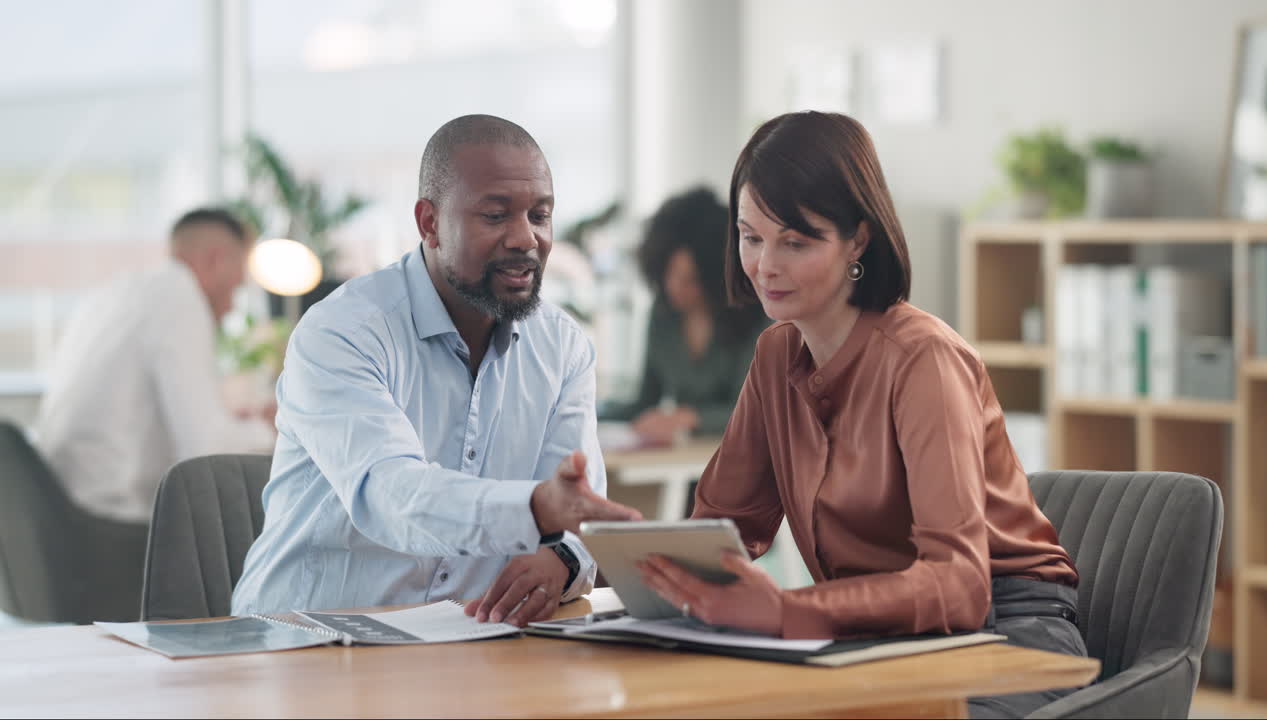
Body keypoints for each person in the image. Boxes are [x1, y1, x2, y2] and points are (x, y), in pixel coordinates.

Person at [636, 111, 1085, 719]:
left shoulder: (923, 359)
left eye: (795, 242)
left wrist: (787, 612)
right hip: (874, 640)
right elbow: (725, 526)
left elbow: (959, 587)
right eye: (750, 236)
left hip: (1004, 636)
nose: (765, 265)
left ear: (859, 241)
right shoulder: (775, 355)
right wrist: (640, 556)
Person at [232, 115, 641, 625]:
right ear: (429, 222)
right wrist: (535, 509)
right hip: (309, 641)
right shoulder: (342, 331)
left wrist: (560, 557)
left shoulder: (563, 346)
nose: (525, 238)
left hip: (470, 643)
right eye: (495, 216)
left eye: (539, 215)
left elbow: (577, 516)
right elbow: (389, 494)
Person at [35, 208, 275, 524]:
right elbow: (207, 451)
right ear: (213, 260)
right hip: (111, 522)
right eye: (236, 287)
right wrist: (272, 428)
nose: (232, 307)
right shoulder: (180, 298)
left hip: (59, 510)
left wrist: (232, 423)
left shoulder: (117, 293)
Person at [599, 187, 768, 445]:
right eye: (667, 275)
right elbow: (645, 402)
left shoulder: (758, 318)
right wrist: (590, 409)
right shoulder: (662, 312)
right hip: (688, 467)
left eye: (689, 279)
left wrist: (689, 417)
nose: (673, 288)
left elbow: (756, 413)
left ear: (715, 274)